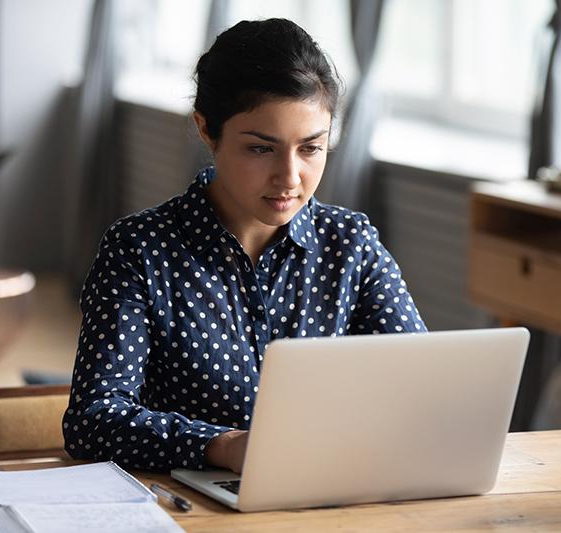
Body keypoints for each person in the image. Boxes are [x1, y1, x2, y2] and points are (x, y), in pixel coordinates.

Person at [63, 18, 426, 473]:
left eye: (311, 149)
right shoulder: (140, 250)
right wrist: (221, 446)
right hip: (191, 505)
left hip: (332, 489)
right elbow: (92, 420)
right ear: (206, 131)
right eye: (261, 149)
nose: (290, 178)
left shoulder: (351, 245)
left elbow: (420, 384)